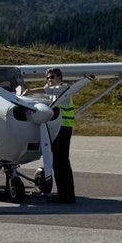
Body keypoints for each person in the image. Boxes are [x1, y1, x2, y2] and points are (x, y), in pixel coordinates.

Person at [44, 67, 76, 204]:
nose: (49, 80)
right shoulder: (53, 92)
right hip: (57, 129)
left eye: (51, 77)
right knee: (58, 162)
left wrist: (31, 90)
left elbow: (47, 90)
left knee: (61, 162)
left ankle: (65, 196)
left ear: (59, 78)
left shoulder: (63, 89)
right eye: (47, 78)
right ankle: (65, 193)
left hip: (64, 128)